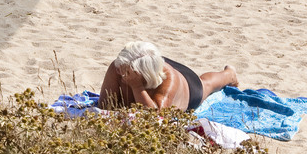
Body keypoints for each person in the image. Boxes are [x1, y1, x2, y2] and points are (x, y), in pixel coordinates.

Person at [99, 41, 237, 112]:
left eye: (126, 71)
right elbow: (104, 106)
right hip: (149, 64)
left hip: (188, 86)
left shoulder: (170, 80)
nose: (119, 73)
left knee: (206, 84)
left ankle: (230, 74)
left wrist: (137, 86)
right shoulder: (119, 67)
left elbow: (154, 118)